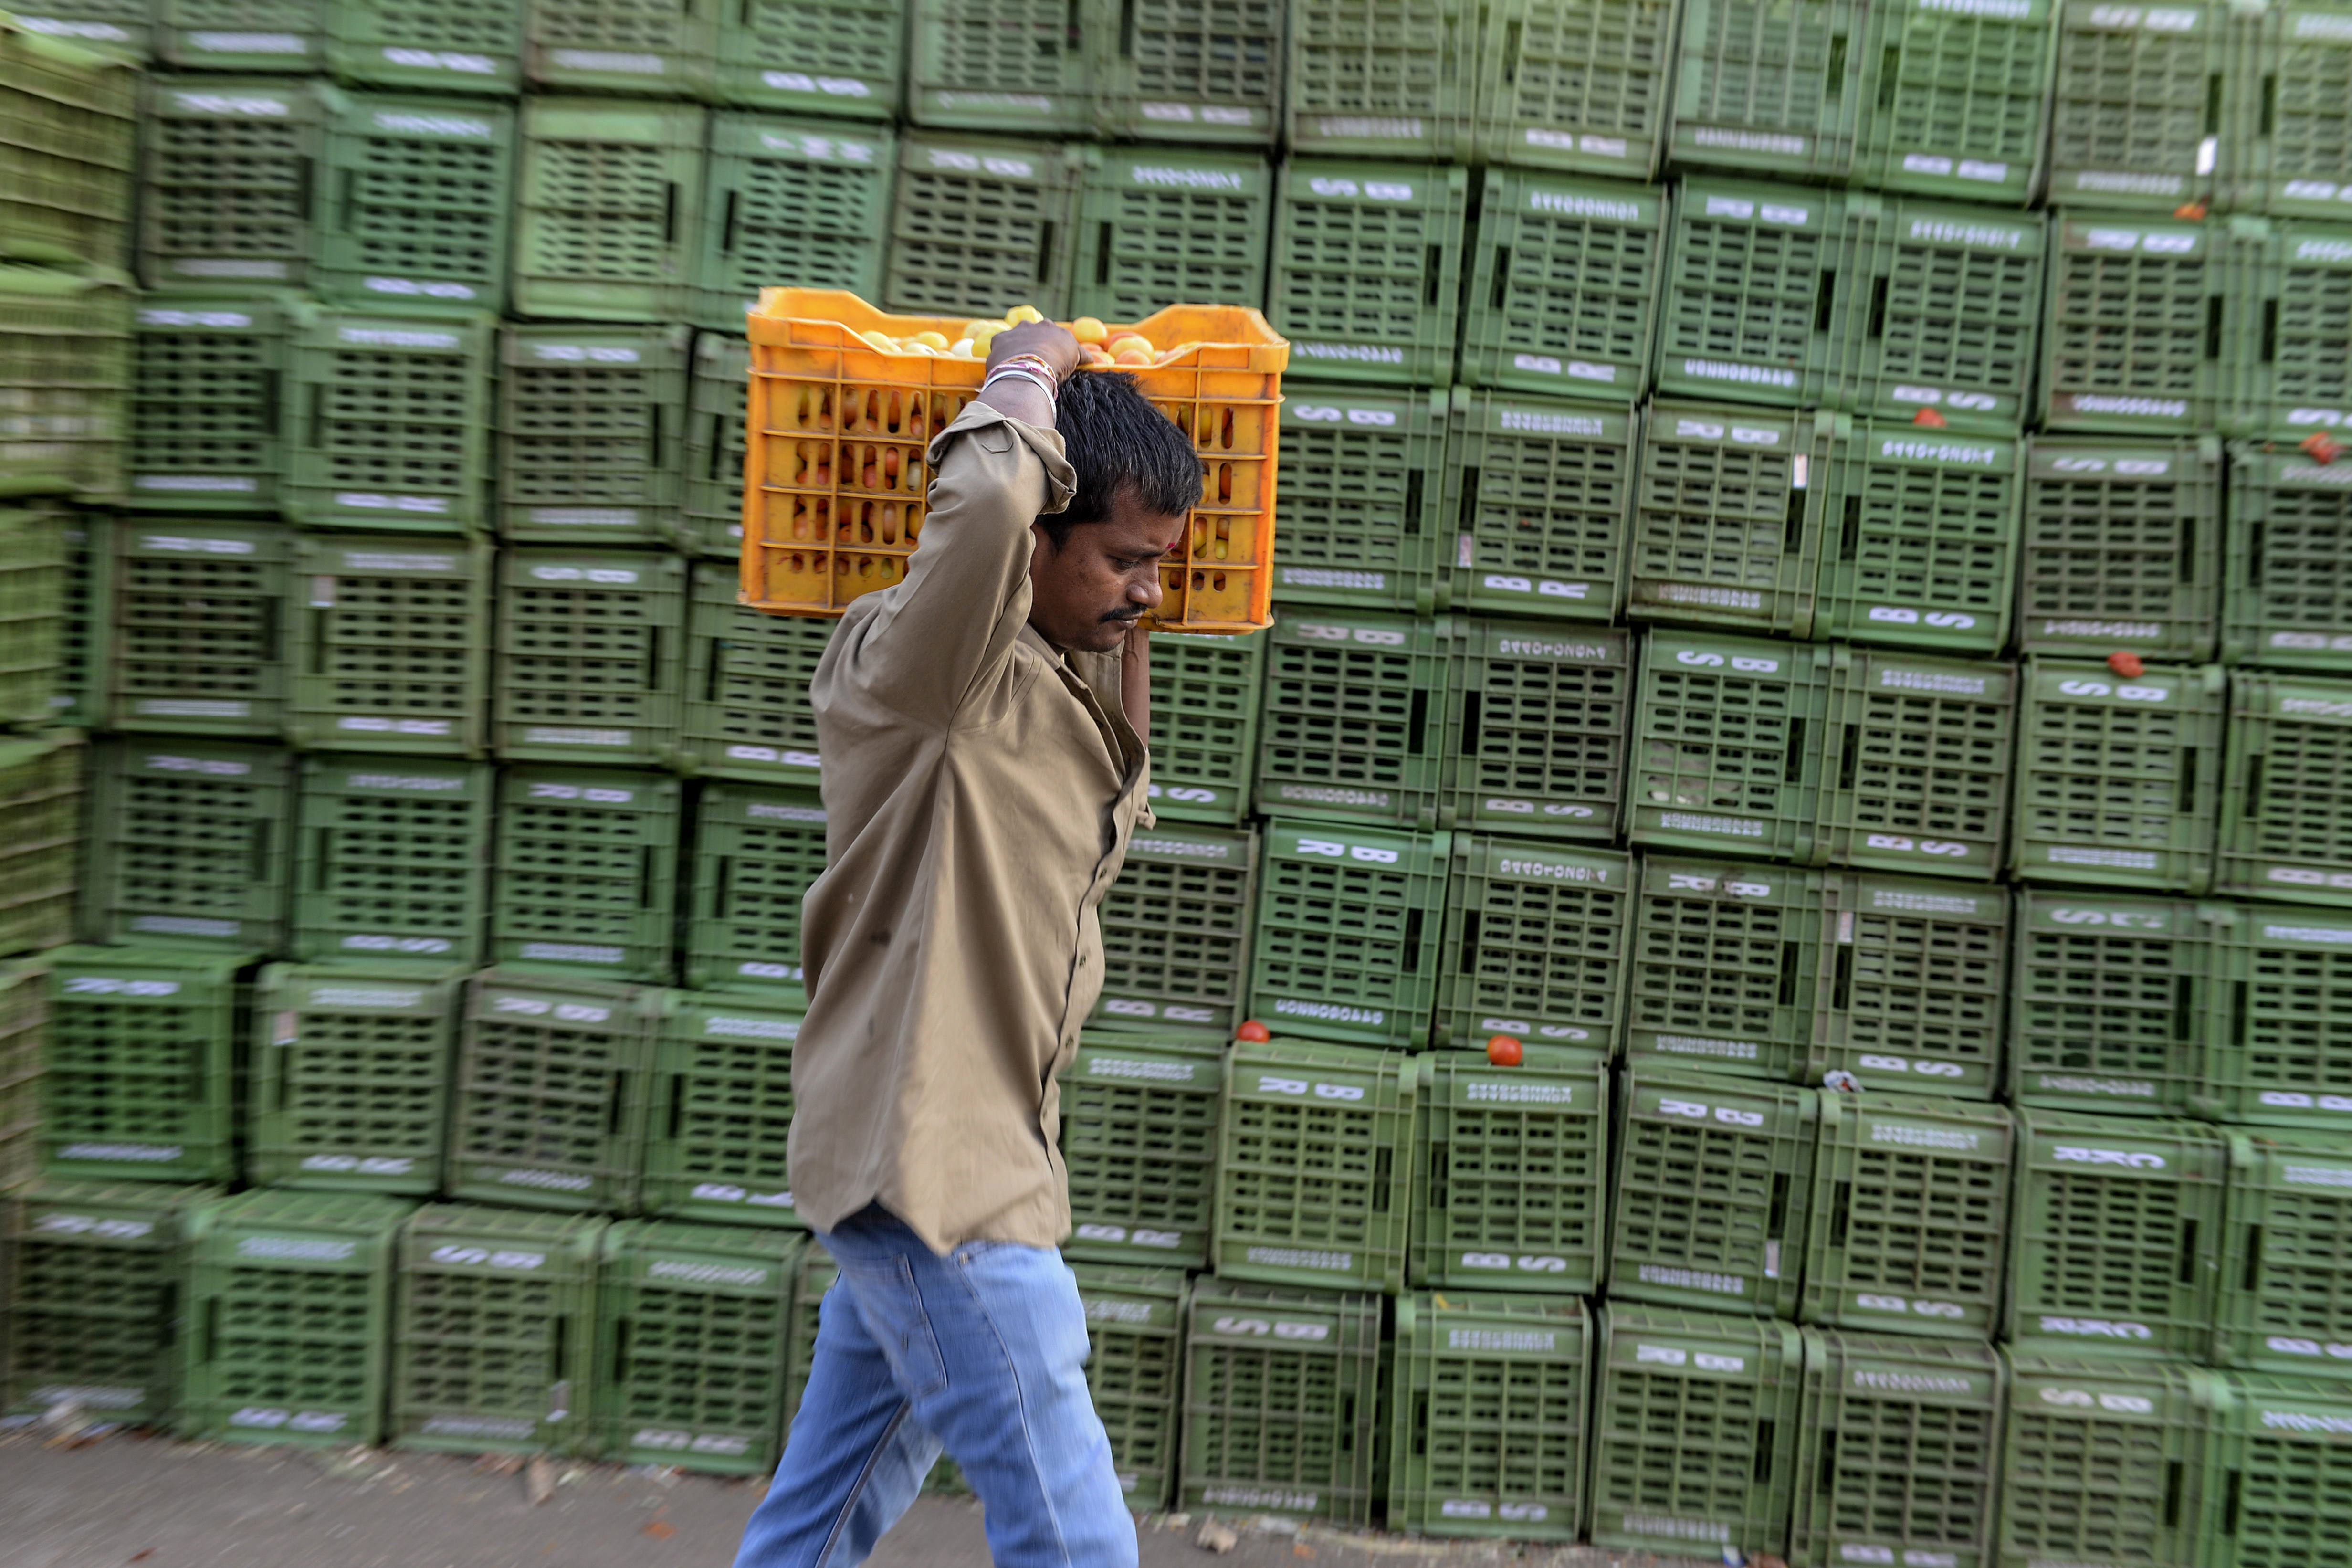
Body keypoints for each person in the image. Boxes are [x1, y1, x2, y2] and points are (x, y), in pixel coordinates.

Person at [733, 322, 1203, 1568]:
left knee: (818, 1525)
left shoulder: (1044, 685)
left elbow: (1107, 800)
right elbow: (991, 496)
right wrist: (1029, 373)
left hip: (960, 1164)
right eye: (1121, 559)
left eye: (1160, 565)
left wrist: (1125, 597)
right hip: (941, 1188)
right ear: (1032, 536)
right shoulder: (928, 669)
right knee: (1076, 1542)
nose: (1147, 590)